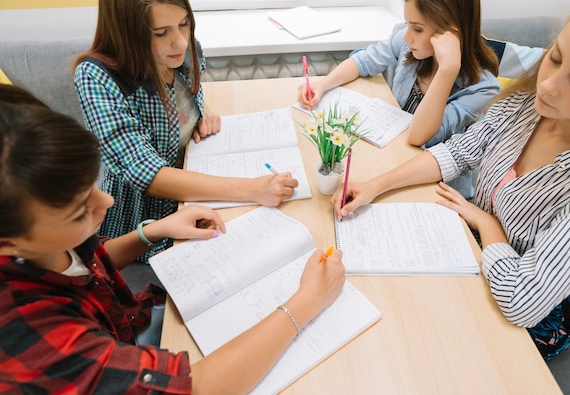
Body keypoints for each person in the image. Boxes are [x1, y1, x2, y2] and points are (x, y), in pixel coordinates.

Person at [331, 0, 570, 360]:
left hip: (530, 312)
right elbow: (459, 152)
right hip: (471, 248)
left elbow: (523, 302)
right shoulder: (526, 104)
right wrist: (376, 184)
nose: (548, 85)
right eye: (555, 56)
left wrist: (488, 225)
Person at [0, 84, 346, 393]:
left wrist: (153, 231)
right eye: (79, 211)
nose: (105, 202)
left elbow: (82, 259)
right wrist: (307, 300)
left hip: (127, 324)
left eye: (92, 185)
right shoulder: (32, 337)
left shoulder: (38, 236)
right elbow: (197, 387)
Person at [74, 0, 299, 261]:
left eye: (184, 23)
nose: (180, 41)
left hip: (196, 177)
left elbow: (189, 91)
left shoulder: (183, 49)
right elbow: (147, 174)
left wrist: (200, 112)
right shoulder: (96, 78)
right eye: (160, 32)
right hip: (144, 220)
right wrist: (252, 188)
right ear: (125, 31)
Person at [298, 0, 500, 149]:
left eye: (417, 29)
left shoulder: (483, 89)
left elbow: (419, 137)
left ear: (451, 32)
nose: (407, 36)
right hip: (391, 148)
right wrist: (323, 84)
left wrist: (447, 70)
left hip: (433, 183)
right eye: (407, 24)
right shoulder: (410, 45)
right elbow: (363, 61)